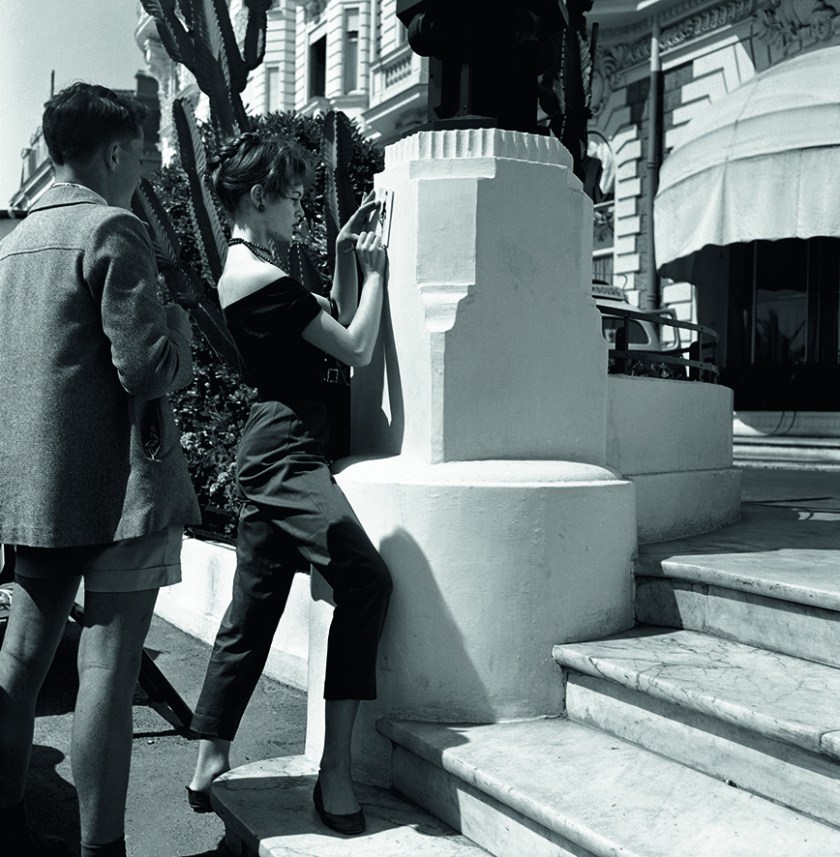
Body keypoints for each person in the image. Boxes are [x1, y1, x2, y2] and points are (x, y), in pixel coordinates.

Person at [0, 83, 200, 857]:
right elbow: (147, 368)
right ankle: (100, 849)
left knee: (19, 660)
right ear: (113, 152)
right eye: (144, 152)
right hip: (120, 488)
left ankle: (10, 817)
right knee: (107, 675)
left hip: (37, 492)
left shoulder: (12, 245)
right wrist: (180, 324)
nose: (148, 166)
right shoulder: (113, 227)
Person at [187, 132, 392, 836]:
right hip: (286, 450)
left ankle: (209, 757)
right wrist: (381, 273)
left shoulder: (258, 272)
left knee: (255, 605)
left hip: (276, 444)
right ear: (257, 197)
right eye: (292, 190)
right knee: (366, 579)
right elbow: (357, 346)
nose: (302, 200)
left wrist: (341, 258)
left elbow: (326, 317)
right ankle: (335, 771)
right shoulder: (255, 276)